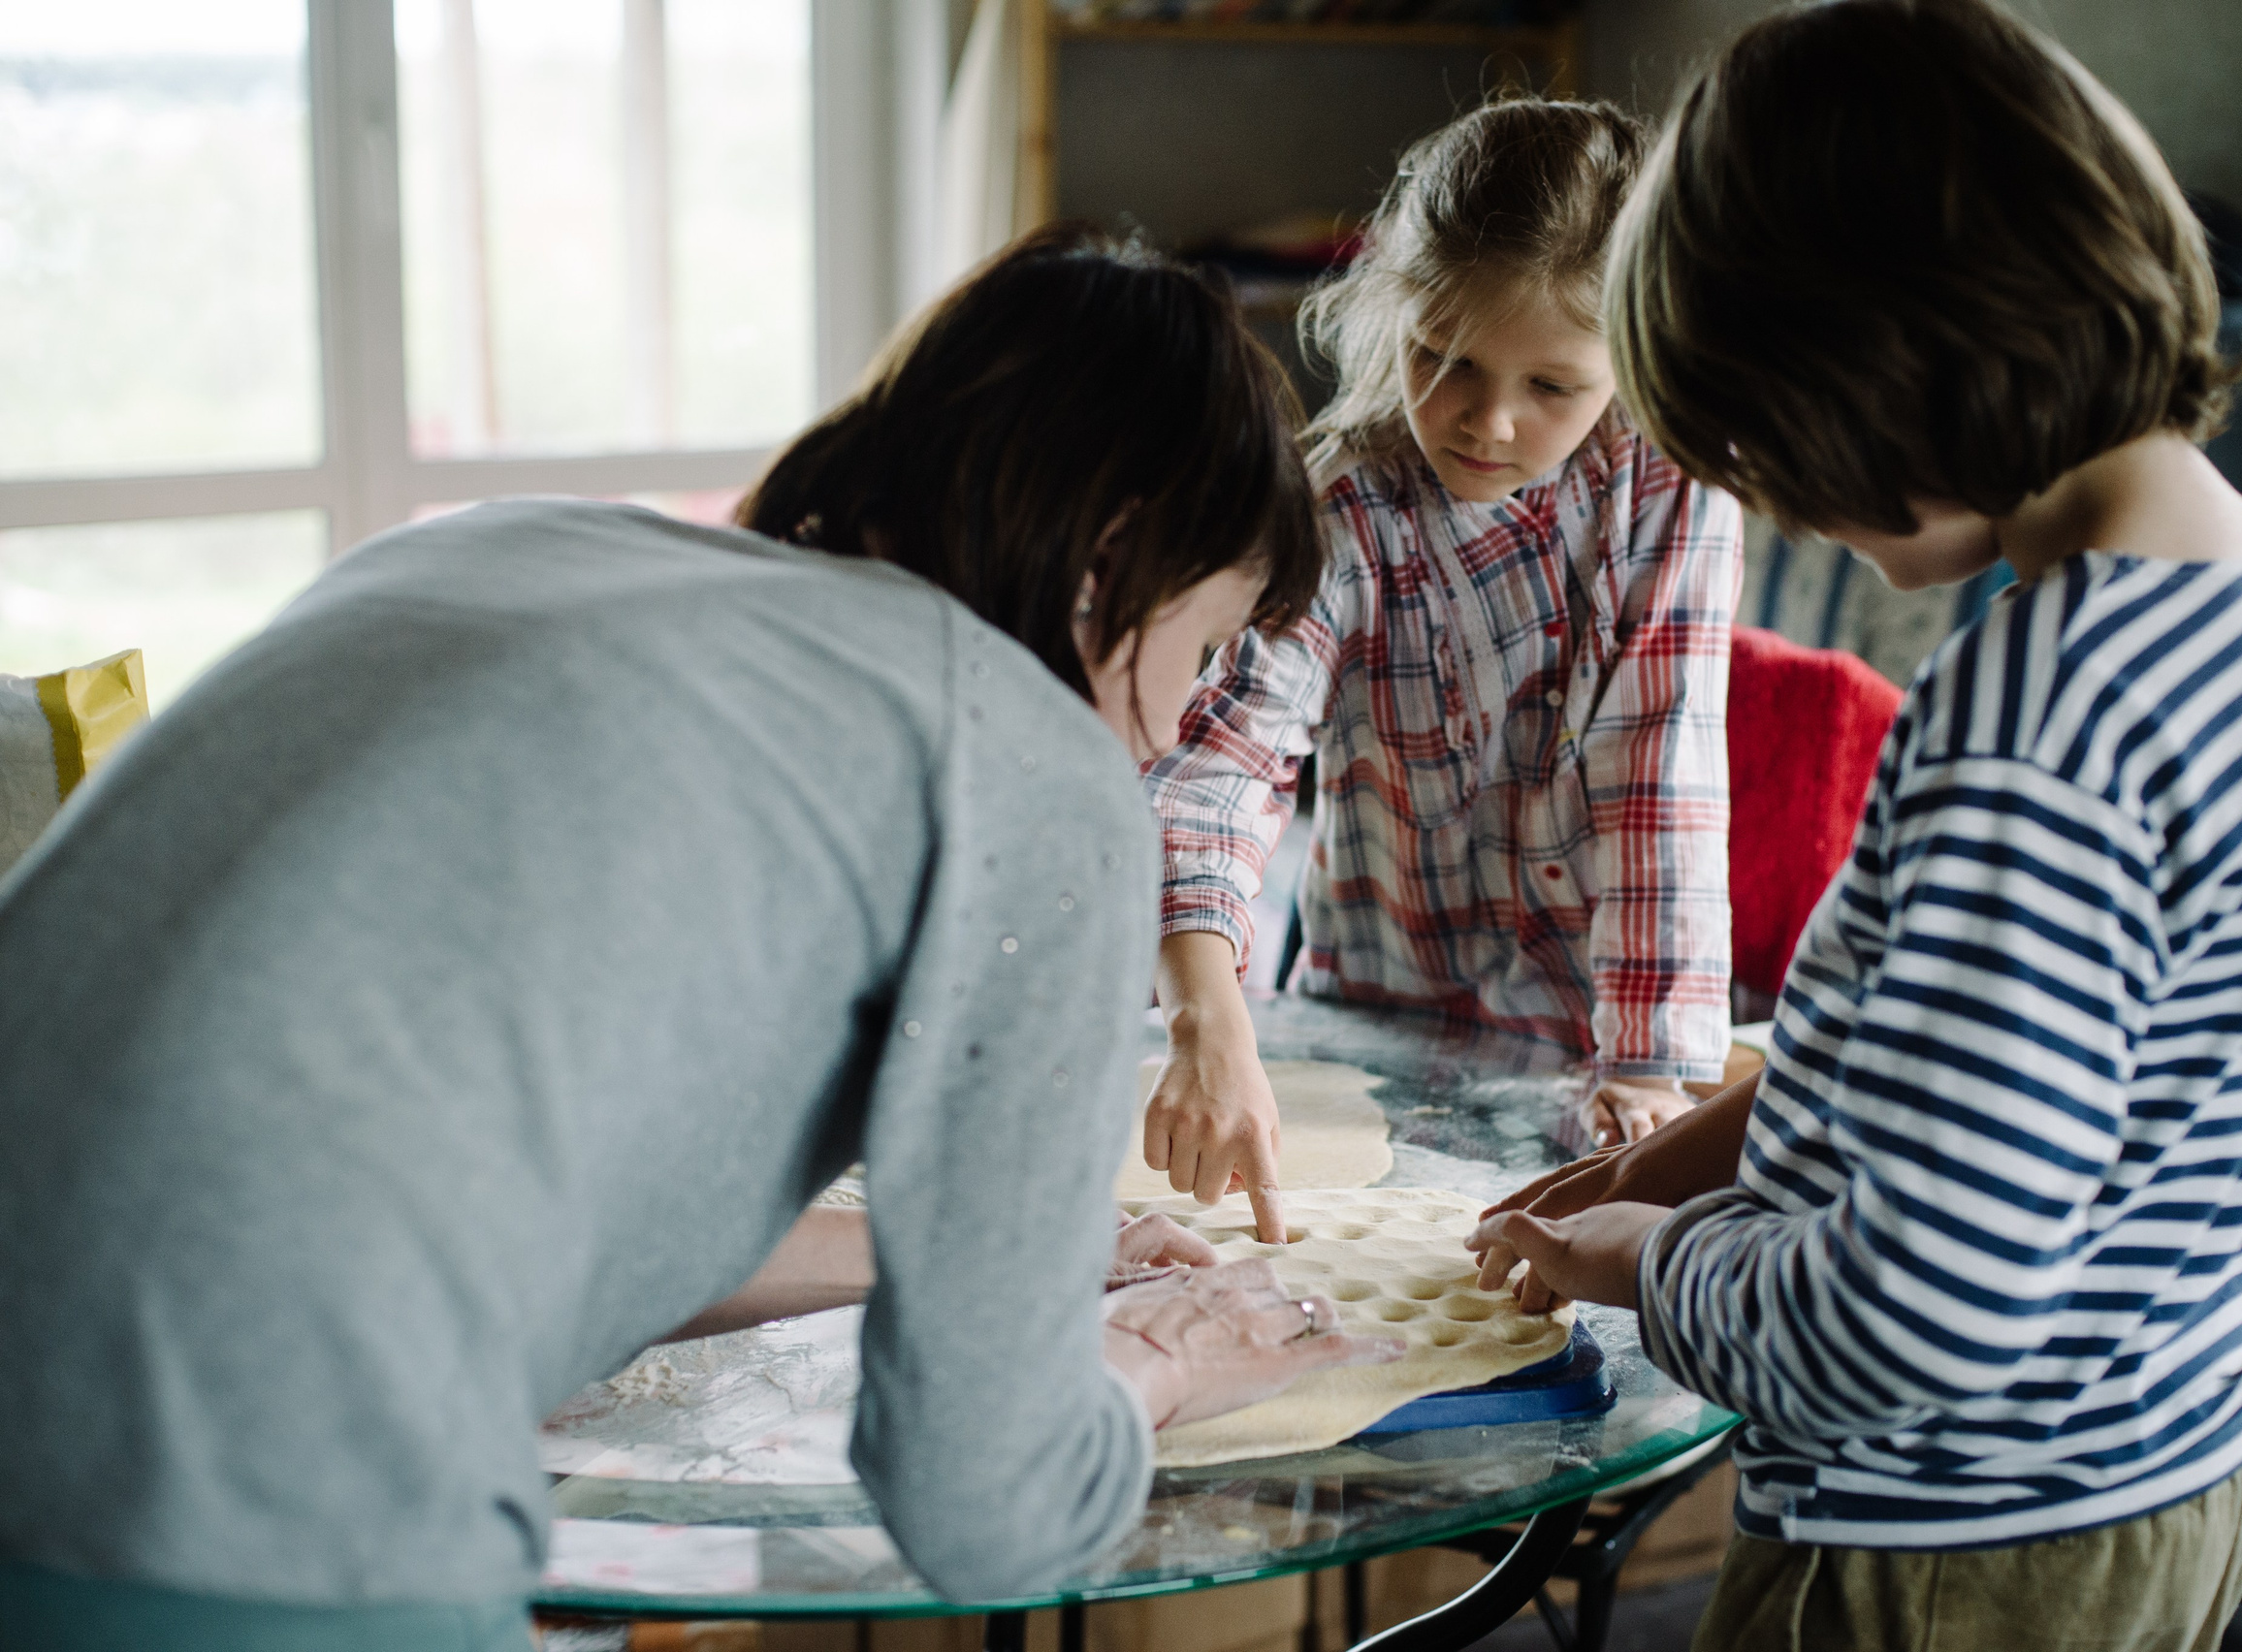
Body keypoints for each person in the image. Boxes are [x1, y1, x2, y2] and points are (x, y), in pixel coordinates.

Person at [0, 226, 1397, 1650]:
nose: (1168, 733)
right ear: (1113, 558)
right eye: (1205, 647)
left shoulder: (504, 543)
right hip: (232, 1505)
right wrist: (1155, 1362)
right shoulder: (1030, 765)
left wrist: (1001, 1252)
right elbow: (992, 1504)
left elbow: (498, 1180)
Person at [1467, 4, 2242, 1648]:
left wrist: (1647, 1255)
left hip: (1952, 1542)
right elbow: (1992, 1082)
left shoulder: (2036, 722)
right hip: (2169, 1446)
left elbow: (1908, 1319)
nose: (1761, 494)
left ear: (1874, 365)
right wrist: (1686, 1152)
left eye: (1754, 437)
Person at [1142, 99, 1744, 1242]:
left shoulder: (1669, 485)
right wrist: (1205, 1021)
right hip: (1377, 1017)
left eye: (1552, 387)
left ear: (1632, 358)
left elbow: (1657, 769)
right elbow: (1222, 767)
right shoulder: (1340, 506)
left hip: (1597, 1037)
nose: (1488, 421)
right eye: (1443, 358)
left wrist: (1648, 1064)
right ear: (1391, 312)